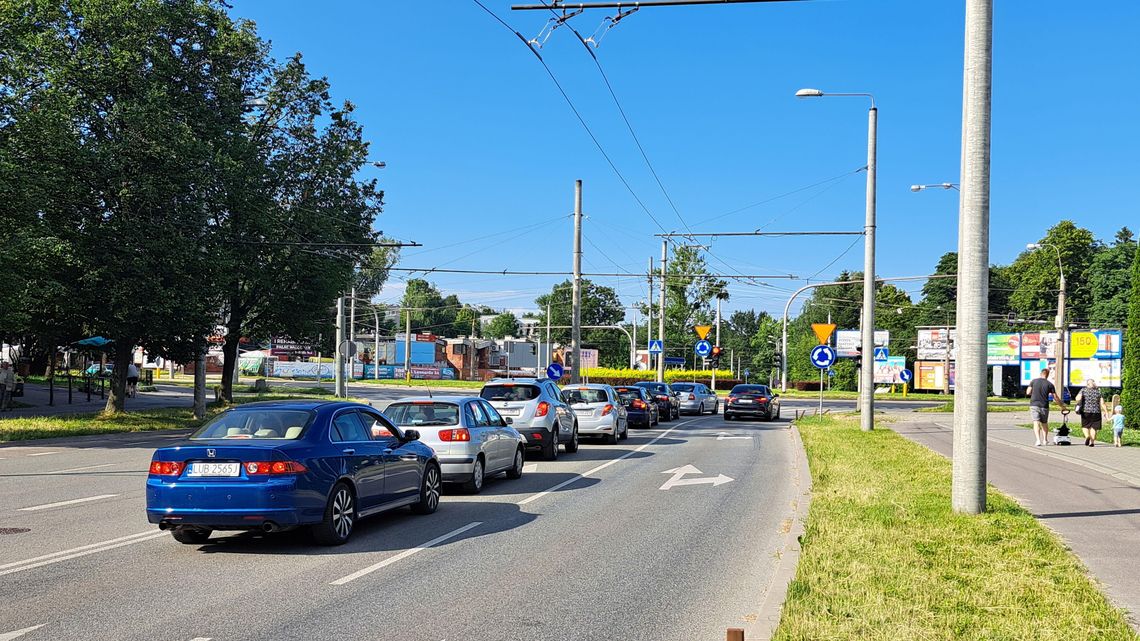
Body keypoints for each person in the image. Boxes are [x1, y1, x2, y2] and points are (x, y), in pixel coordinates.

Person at [1027, 368, 1067, 446]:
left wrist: (1034, 393)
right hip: (1044, 405)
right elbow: (1055, 397)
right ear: (1047, 375)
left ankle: (1038, 440)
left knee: (1036, 422)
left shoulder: (1033, 381)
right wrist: (1062, 406)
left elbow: (1028, 392)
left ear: (1041, 373)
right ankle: (1045, 440)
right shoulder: (1049, 384)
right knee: (1044, 423)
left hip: (1034, 404)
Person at [1073, 379, 1105, 447]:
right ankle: (1092, 442)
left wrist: (1080, 399)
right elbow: (1102, 403)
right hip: (1096, 412)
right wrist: (1106, 411)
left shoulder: (1083, 390)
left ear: (1087, 384)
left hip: (1085, 411)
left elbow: (1077, 398)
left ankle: (1087, 436)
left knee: (1085, 426)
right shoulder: (1098, 391)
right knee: (1094, 427)